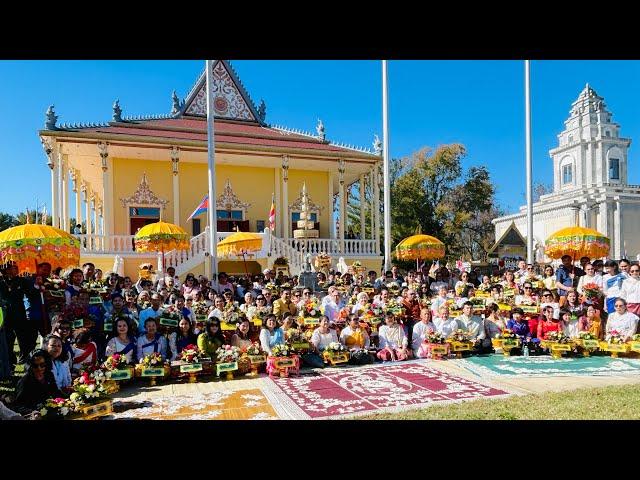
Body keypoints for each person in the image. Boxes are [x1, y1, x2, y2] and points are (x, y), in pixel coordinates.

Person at [13, 349, 63, 416]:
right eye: (35, 365)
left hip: (48, 410)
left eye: (42, 365)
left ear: (47, 363)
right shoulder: (24, 381)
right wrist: (32, 412)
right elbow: (18, 406)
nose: (39, 368)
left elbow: (55, 392)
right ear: (30, 365)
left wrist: (65, 401)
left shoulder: (49, 375)